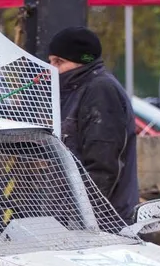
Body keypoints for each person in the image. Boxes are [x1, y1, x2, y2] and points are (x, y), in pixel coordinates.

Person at [46, 26, 138, 222]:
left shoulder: (100, 91)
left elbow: (103, 166)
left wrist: (80, 217)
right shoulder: (74, 91)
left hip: (102, 223)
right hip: (73, 217)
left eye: (59, 62)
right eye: (51, 62)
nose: (53, 69)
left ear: (82, 61)